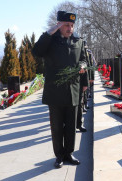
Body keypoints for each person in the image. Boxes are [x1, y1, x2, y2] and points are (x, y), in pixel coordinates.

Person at [32, 10, 87, 168]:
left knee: (71, 126)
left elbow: (83, 59)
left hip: (73, 91)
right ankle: (59, 156)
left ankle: (69, 153)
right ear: (59, 25)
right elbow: (36, 51)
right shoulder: (50, 41)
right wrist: (50, 32)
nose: (70, 28)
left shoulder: (78, 41)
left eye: (72, 25)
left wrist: (83, 68)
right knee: (56, 126)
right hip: (55, 92)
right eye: (66, 25)